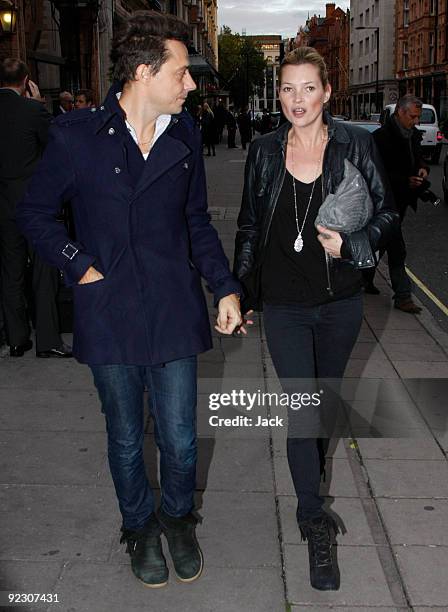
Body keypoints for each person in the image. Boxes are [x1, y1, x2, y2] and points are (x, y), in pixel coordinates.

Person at [17, 10, 242, 588]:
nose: (191, 84)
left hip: (172, 309)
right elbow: (35, 213)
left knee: (181, 439)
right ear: (144, 73)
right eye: (181, 73)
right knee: (123, 435)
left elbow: (195, 222)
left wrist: (225, 285)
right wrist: (78, 264)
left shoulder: (185, 135)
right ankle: (139, 527)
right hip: (109, 311)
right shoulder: (76, 137)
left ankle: (177, 517)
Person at [234, 47, 397, 591]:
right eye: (287, 88)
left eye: (307, 88)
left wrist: (352, 244)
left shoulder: (356, 144)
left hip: (340, 304)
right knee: (303, 408)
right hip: (283, 305)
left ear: (327, 93)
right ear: (277, 93)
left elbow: (387, 212)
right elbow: (250, 228)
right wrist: (238, 292)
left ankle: (310, 483)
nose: (296, 99)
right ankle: (312, 517)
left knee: (321, 406)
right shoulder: (262, 151)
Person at [0, 58, 72, 358]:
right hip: (34, 207)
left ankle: (17, 338)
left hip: (3, 206)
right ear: (26, 80)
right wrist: (39, 101)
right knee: (44, 273)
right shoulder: (33, 110)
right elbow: (58, 146)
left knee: (10, 272)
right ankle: (48, 340)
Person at [362, 95, 428, 313]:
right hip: (383, 203)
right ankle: (403, 296)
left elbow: (418, 158)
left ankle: (363, 279)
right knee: (397, 248)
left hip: (401, 200)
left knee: (379, 244)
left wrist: (421, 169)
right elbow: (376, 174)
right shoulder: (382, 138)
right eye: (412, 116)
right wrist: (404, 180)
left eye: (417, 117)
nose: (416, 121)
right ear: (400, 112)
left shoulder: (412, 135)